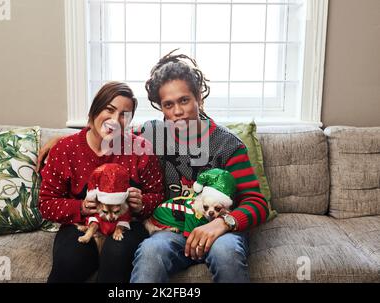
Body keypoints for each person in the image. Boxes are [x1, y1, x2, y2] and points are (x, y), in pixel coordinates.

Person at [38, 51, 269, 283]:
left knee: (226, 253)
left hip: (220, 231)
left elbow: (257, 203)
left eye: (184, 100)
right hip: (171, 232)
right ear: (161, 108)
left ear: (199, 97)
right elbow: (111, 132)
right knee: (149, 252)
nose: (177, 111)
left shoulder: (227, 144)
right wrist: (61, 140)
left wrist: (222, 224)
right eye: (169, 105)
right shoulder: (154, 134)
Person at [38, 81, 164, 283]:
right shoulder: (65, 149)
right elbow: (46, 204)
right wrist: (81, 207)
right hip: (80, 225)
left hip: (126, 225)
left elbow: (158, 196)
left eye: (124, 114)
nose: (115, 120)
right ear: (94, 111)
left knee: (117, 255)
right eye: (110, 110)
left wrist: (142, 204)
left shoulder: (140, 149)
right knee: (70, 261)